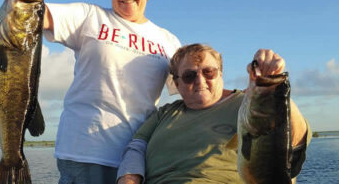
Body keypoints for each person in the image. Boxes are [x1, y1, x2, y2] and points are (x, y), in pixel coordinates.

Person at [0, 0, 181, 183]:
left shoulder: (168, 40)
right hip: (85, 152)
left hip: (138, 157)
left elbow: (192, 91)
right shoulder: (90, 16)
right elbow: (39, 14)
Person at [117, 44, 311, 184]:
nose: (200, 81)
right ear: (177, 83)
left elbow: (297, 139)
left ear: (221, 74)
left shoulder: (251, 103)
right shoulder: (164, 114)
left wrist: (274, 82)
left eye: (208, 72)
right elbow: (136, 147)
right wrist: (129, 178)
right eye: (189, 75)